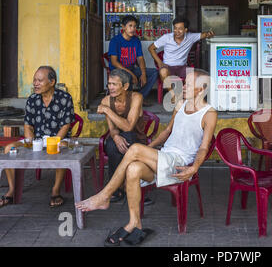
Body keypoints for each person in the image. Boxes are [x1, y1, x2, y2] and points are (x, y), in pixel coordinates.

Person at [76, 69, 217, 246]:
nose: (183, 86)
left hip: (180, 163)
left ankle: (104, 195)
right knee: (134, 168)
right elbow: (166, 132)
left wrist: (194, 168)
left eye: (189, 84)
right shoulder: (180, 104)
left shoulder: (209, 113)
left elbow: (204, 146)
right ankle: (134, 223)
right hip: (165, 157)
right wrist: (146, 150)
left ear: (201, 89)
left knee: (134, 150)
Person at [1, 66, 74, 208]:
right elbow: (28, 125)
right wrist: (30, 142)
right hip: (37, 139)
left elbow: (66, 125)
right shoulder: (32, 99)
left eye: (40, 80)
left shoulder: (65, 98)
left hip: (58, 138)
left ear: (52, 82)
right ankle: (11, 190)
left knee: (63, 150)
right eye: (35, 80)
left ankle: (55, 190)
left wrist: (54, 142)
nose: (35, 83)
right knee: (8, 149)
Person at [98, 68, 153, 205]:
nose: (111, 87)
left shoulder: (136, 97)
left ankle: (124, 188)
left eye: (114, 84)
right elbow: (112, 129)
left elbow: (129, 127)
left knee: (127, 138)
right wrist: (116, 137)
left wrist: (106, 110)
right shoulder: (106, 100)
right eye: (109, 84)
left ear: (125, 86)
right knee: (112, 144)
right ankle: (124, 189)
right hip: (119, 139)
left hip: (137, 138)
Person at [148, 17, 214, 101]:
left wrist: (209, 33)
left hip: (182, 67)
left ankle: (190, 98)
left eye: (180, 29)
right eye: (175, 28)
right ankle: (173, 95)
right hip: (167, 66)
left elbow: (204, 34)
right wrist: (160, 63)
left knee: (195, 75)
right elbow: (151, 48)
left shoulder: (190, 37)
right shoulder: (166, 38)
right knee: (163, 71)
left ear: (185, 30)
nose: (176, 31)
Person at [109, 15, 158, 104]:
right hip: (118, 70)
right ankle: (129, 99)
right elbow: (114, 62)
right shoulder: (115, 41)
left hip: (132, 68)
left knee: (154, 72)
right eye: (130, 26)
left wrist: (143, 73)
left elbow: (140, 59)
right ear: (123, 27)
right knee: (128, 76)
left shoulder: (136, 40)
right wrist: (132, 74)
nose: (133, 29)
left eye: (135, 26)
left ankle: (140, 98)